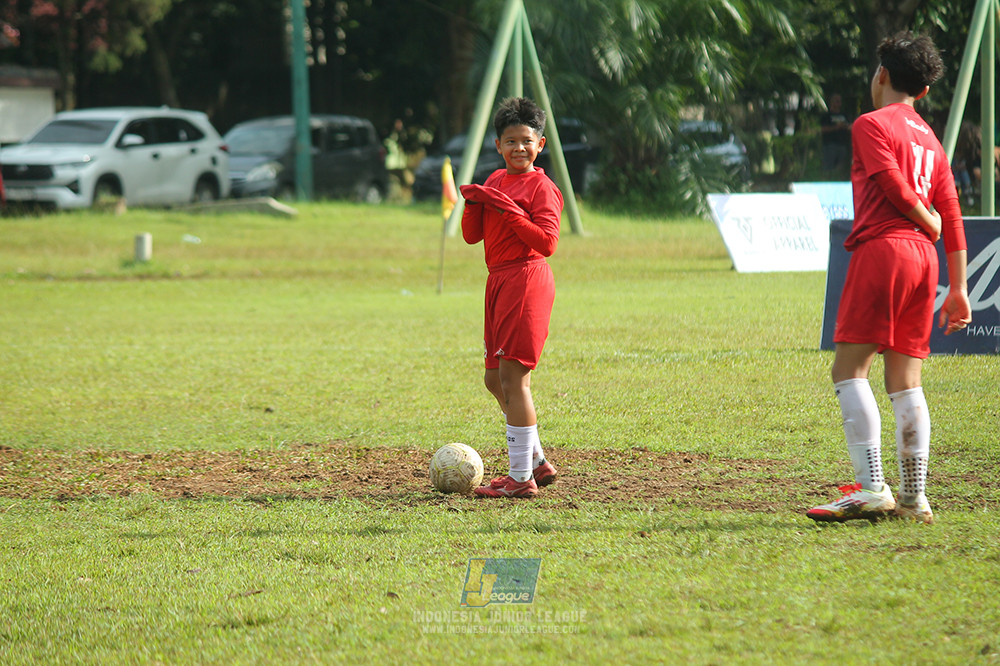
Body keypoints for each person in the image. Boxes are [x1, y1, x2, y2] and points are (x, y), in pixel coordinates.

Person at [807, 32, 971, 525]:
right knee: (905, 379)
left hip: (885, 251)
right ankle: (915, 497)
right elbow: (955, 215)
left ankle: (871, 487)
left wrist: (926, 218)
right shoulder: (932, 141)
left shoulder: (870, 124)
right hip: (926, 261)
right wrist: (959, 287)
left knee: (849, 370)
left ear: (881, 75)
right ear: (923, 92)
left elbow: (893, 187)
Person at [460, 97, 563, 499]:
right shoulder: (495, 181)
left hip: (526, 277)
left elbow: (548, 242)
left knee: (513, 379)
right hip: (498, 281)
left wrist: (511, 212)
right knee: (493, 379)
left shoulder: (542, 186)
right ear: (498, 146)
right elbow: (472, 236)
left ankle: (520, 479)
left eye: (526, 140)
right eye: (510, 141)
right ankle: (535, 460)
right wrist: (476, 201)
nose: (518, 148)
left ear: (540, 145)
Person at [820, 93, 853, 180]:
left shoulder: (844, 115)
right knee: (828, 168)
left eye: (839, 101)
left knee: (840, 168)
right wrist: (836, 127)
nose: (838, 103)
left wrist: (847, 127)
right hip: (830, 145)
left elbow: (850, 126)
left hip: (842, 145)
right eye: (836, 101)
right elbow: (822, 129)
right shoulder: (827, 116)